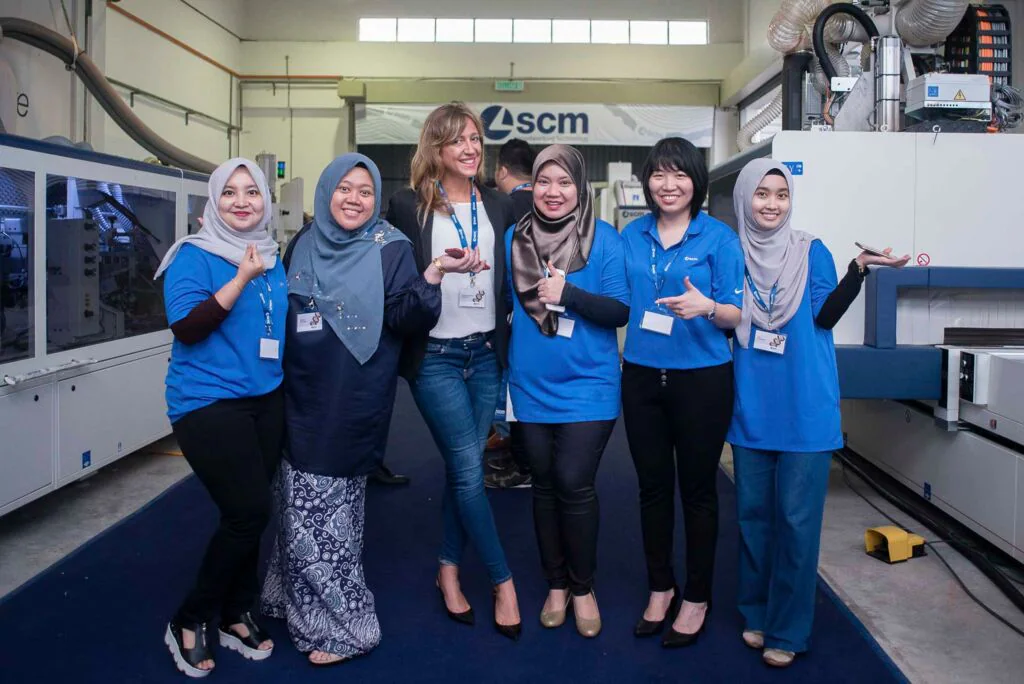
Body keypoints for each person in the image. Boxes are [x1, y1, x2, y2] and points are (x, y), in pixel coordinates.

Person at [259, 154, 445, 665]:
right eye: (344, 188)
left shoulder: (391, 247)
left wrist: (431, 276)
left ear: (376, 199)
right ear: (326, 192)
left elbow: (407, 317)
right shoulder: (304, 240)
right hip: (296, 388)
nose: (354, 199)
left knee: (326, 511)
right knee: (294, 501)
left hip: (352, 394)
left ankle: (346, 627)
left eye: (365, 191)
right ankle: (286, 596)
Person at [728, 159, 909, 668]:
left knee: (796, 522)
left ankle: (787, 628)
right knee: (753, 518)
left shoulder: (812, 251)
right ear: (744, 197)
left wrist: (858, 271)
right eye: (762, 193)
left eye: (781, 194)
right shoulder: (730, 253)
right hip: (751, 406)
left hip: (805, 406)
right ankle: (756, 611)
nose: (772, 203)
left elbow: (825, 315)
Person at [385, 102, 522, 640]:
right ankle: (503, 581)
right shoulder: (408, 206)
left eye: (475, 139)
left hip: (486, 352)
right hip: (436, 357)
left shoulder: (499, 204)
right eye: (456, 140)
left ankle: (447, 568)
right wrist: (438, 268)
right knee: (469, 470)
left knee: (462, 466)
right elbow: (399, 285)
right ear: (435, 148)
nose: (469, 149)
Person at [156, 158, 285, 678]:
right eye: (229, 192)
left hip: (265, 398)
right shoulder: (193, 254)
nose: (241, 201)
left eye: (251, 192)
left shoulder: (271, 254)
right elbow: (187, 327)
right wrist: (240, 278)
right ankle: (189, 618)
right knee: (248, 511)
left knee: (248, 513)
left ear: (265, 201)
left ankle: (236, 611)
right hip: (206, 401)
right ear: (213, 201)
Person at [619, 137, 744, 647]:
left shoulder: (719, 239)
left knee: (697, 491)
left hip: (702, 380)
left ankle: (696, 595)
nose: (668, 185)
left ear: (696, 181)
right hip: (641, 377)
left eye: (680, 174)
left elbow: (736, 316)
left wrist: (707, 308)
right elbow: (614, 296)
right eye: (659, 174)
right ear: (646, 181)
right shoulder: (631, 235)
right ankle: (660, 586)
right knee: (651, 489)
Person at [507, 144, 630, 638]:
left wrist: (570, 295)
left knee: (574, 481)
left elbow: (619, 311)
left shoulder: (604, 239)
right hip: (530, 385)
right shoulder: (515, 239)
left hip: (589, 385)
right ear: (532, 186)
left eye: (564, 182)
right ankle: (555, 584)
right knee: (542, 485)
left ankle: (583, 588)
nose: (553, 192)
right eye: (544, 181)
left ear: (581, 188)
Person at [486, 138, 537, 490]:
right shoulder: (550, 204)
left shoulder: (501, 206)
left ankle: (522, 463)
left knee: (513, 387)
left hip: (508, 312)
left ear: (501, 171)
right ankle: (522, 456)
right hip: (548, 310)